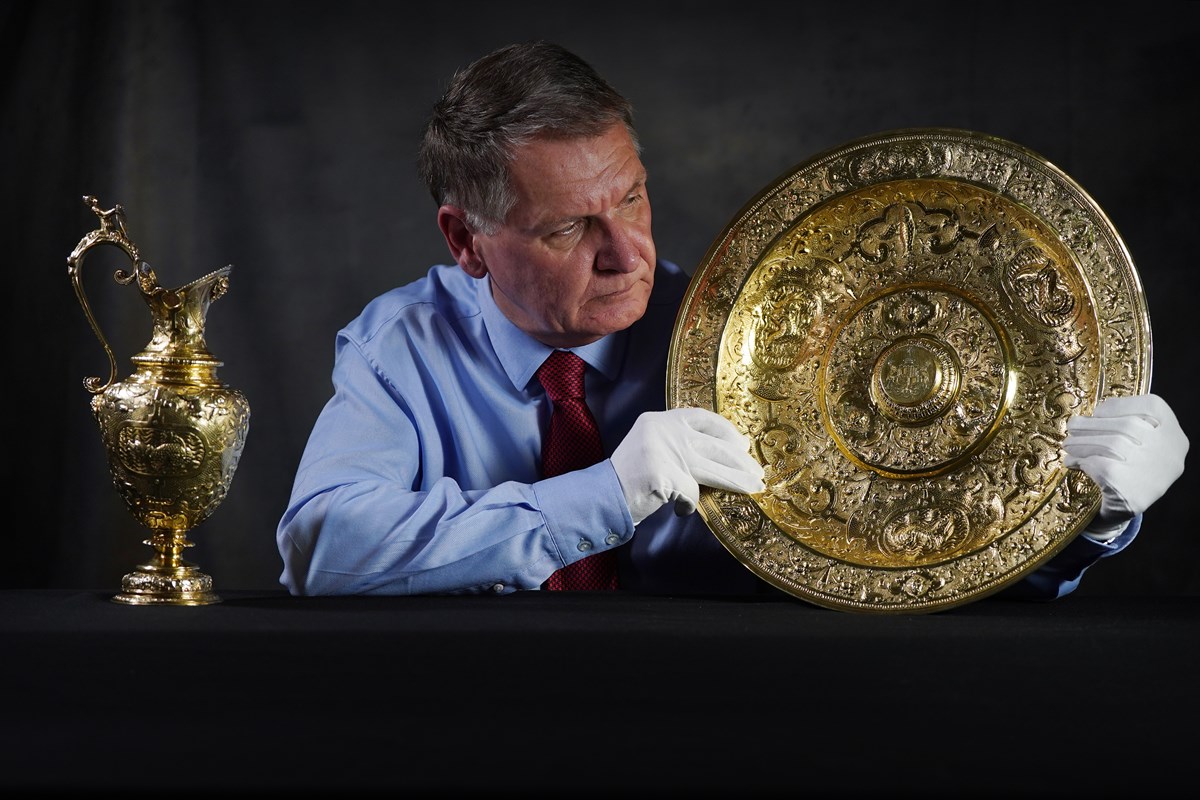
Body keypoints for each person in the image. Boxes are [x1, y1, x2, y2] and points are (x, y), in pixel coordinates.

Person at [276, 40, 1188, 599]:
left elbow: (921, 559)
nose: (626, 253)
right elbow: (325, 550)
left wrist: (1084, 515)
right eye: (566, 228)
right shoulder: (403, 345)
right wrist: (604, 497)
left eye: (630, 200)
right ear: (466, 244)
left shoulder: (762, 335)